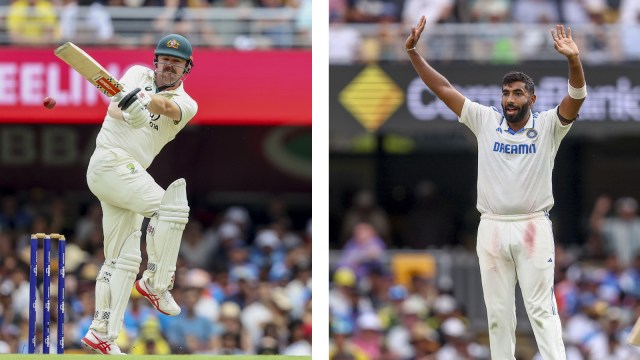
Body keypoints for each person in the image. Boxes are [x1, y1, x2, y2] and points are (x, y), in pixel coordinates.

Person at [405, 16, 587, 360]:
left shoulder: (549, 125)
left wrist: (573, 60)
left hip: (533, 224)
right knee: (498, 315)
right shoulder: (485, 120)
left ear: (531, 99)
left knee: (540, 310)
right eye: (506, 93)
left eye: (518, 93)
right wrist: (414, 54)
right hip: (490, 226)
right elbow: (443, 89)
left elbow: (576, 97)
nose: (510, 99)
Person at [80, 33, 198, 354]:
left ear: (186, 68)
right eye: (165, 60)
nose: (169, 67)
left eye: (177, 63)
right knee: (169, 208)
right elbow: (116, 108)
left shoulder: (188, 104)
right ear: (155, 61)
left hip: (129, 175)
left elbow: (164, 106)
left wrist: (142, 105)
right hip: (109, 161)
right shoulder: (135, 74)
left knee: (122, 258)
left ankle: (102, 331)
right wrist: (129, 112)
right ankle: (156, 283)